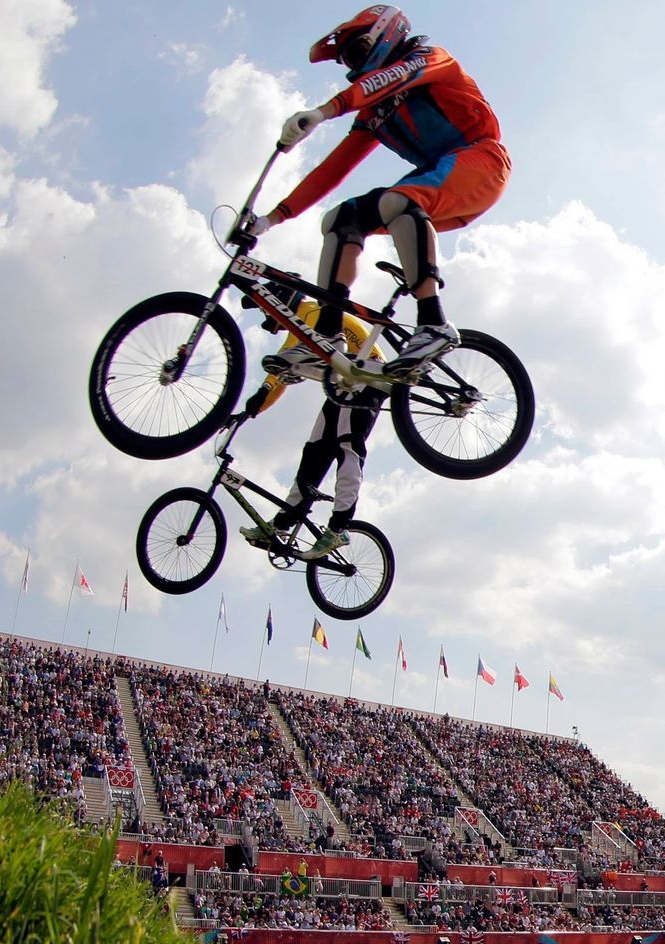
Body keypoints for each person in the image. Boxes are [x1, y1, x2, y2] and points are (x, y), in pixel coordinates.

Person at [243, 7, 508, 380]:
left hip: (481, 161)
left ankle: (434, 323)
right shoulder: (374, 112)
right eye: (348, 60)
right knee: (340, 219)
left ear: (385, 35)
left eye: (356, 51)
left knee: (397, 200)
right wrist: (271, 219)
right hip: (437, 179)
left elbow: (388, 79)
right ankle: (327, 335)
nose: (354, 64)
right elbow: (332, 170)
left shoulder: (431, 58)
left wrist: (324, 112)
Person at [238, 298, 386, 560]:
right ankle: (284, 522)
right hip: (344, 383)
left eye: (265, 311)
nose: (267, 320)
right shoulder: (302, 317)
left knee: (347, 446)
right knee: (315, 451)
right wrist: (255, 408)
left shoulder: (310, 312)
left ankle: (339, 526)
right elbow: (283, 372)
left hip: (368, 377)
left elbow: (284, 360)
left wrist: (261, 396)